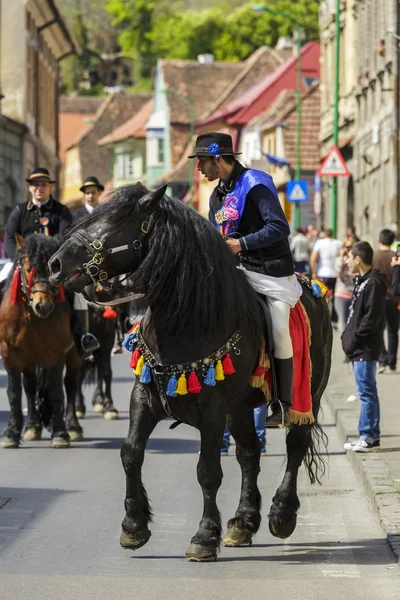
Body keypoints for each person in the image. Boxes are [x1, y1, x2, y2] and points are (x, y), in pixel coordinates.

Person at [189, 132, 302, 428]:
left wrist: (243, 244)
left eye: (201, 161)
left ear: (216, 159)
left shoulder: (256, 183)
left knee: (278, 329)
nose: (198, 169)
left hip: (270, 271)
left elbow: (279, 227)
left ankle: (282, 401)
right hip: (236, 273)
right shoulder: (216, 196)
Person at [2, 167, 99, 356]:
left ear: (49, 188)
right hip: (25, 265)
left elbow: (66, 236)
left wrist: (54, 257)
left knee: (78, 293)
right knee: (1, 281)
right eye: (36, 185)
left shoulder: (61, 211)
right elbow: (9, 238)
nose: (39, 188)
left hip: (53, 266)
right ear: (30, 188)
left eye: (43, 185)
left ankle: (82, 336)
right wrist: (19, 259)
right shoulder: (19, 211)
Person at [342, 242, 386, 452]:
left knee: (366, 392)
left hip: (365, 348)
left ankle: (367, 435)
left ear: (358, 258)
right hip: (360, 347)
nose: (346, 261)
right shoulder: (363, 282)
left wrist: (355, 339)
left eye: (349, 257)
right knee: (367, 391)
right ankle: (370, 434)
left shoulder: (373, 284)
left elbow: (371, 318)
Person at [373, 229, 400, 373]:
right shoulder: (396, 256)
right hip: (394, 297)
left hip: (378, 297)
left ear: (379, 240)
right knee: (393, 330)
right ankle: (392, 361)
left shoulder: (374, 256)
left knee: (379, 329)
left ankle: (382, 359)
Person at [310, 229, 342, 328]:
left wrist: (314, 272)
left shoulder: (320, 243)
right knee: (335, 297)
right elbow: (340, 256)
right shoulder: (338, 243)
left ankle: (322, 318)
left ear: (324, 235)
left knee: (321, 297)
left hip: (323, 273)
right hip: (335, 274)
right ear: (332, 235)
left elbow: (313, 259)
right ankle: (334, 320)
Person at [334, 239, 355, 336]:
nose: (349, 249)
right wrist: (342, 258)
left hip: (353, 294)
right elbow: (338, 272)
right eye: (347, 247)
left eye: (351, 247)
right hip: (341, 294)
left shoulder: (356, 260)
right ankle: (346, 345)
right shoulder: (339, 259)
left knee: (352, 324)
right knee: (343, 324)